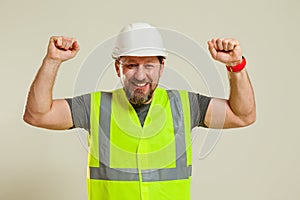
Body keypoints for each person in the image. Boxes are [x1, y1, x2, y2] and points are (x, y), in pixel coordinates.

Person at [23, 23, 256, 200]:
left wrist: (235, 66)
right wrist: (52, 60)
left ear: (162, 67)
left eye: (149, 65)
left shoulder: (186, 105)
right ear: (118, 68)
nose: (140, 75)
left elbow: (243, 115)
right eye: (131, 65)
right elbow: (37, 114)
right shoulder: (93, 107)